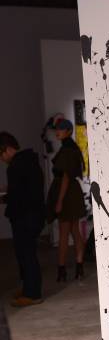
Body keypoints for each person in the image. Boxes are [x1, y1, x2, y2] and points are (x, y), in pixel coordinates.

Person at [0, 131, 45, 307]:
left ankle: (33, 294)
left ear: (9, 149)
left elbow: (17, 196)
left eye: (1, 153)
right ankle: (28, 289)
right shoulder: (29, 161)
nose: (2, 158)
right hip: (33, 215)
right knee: (26, 254)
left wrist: (3, 197)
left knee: (27, 255)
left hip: (25, 217)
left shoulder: (16, 166)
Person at [46, 119, 86, 281]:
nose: (58, 131)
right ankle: (79, 266)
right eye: (57, 129)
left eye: (62, 129)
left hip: (67, 193)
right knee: (73, 230)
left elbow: (66, 177)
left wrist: (59, 200)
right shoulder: (70, 147)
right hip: (71, 192)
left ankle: (62, 269)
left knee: (64, 232)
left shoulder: (68, 149)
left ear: (69, 131)